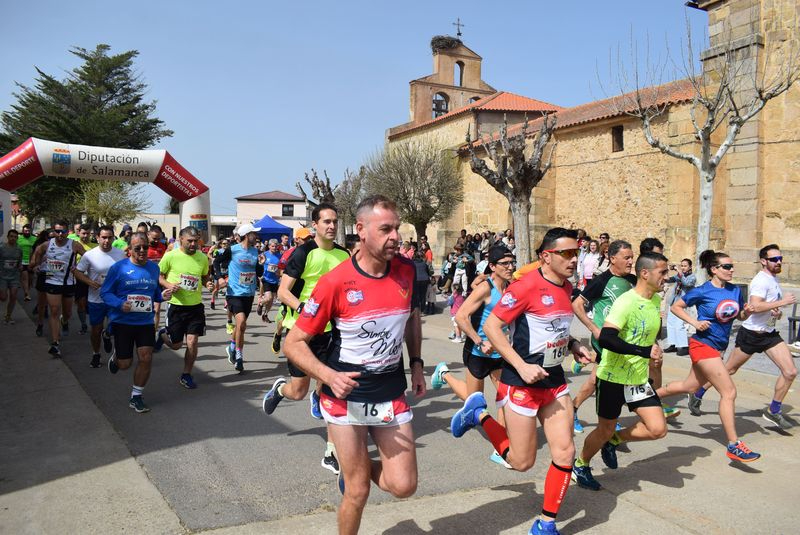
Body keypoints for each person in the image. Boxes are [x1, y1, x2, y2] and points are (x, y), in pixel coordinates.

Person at [283, 195, 425, 535]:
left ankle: (356, 466)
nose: (395, 236)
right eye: (386, 229)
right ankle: (355, 473)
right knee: (358, 491)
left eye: (397, 228)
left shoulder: (407, 270)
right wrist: (328, 375)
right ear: (360, 230)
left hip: (390, 390)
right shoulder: (336, 281)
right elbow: (294, 343)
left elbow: (411, 319)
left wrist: (417, 363)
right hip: (344, 396)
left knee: (403, 486)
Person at [449, 227, 592, 535]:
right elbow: (493, 327)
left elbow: (556, 329)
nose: (573, 260)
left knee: (565, 452)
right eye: (566, 254)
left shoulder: (567, 288)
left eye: (576, 253)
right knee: (521, 461)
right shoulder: (525, 287)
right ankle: (479, 414)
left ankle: (546, 523)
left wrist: (574, 345)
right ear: (546, 256)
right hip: (521, 382)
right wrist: (521, 365)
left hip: (553, 381)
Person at [262, 203, 349, 474]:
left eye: (335, 221)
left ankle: (331, 452)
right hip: (301, 333)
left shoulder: (344, 256)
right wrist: (304, 309)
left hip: (331, 333)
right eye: (326, 222)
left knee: (334, 390)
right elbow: (283, 291)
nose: (332, 226)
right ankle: (280, 389)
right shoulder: (303, 253)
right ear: (315, 226)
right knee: (297, 392)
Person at [572, 252, 669, 492]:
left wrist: (653, 348)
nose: (667, 277)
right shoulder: (625, 302)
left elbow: (648, 333)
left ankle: (616, 440)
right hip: (613, 377)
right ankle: (581, 464)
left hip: (637, 378)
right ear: (645, 274)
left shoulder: (655, 300)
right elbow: (606, 338)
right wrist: (643, 351)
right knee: (604, 428)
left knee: (658, 429)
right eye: (663, 272)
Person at [658, 250, 760, 461]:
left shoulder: (734, 291)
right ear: (714, 269)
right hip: (702, 345)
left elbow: (738, 315)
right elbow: (676, 306)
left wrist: (747, 312)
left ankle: (645, 397)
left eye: (732, 266)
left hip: (719, 347)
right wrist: (694, 323)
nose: (731, 270)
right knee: (729, 392)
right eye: (727, 267)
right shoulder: (703, 291)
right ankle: (734, 445)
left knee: (690, 387)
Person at [691, 244, 797, 429]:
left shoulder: (773, 279)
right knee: (729, 370)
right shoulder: (761, 281)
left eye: (780, 259)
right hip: (751, 335)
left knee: (790, 372)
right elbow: (754, 306)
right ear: (763, 261)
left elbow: (765, 306)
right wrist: (783, 302)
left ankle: (774, 411)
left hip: (769, 334)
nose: (779, 262)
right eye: (774, 259)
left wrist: (775, 311)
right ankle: (698, 392)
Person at [432, 245, 516, 466]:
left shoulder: (511, 287)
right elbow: (461, 317)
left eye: (511, 262)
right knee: (475, 403)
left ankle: (501, 448)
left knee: (505, 399)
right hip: (478, 351)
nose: (510, 267)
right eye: (505, 264)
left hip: (500, 353)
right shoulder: (485, 289)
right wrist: (480, 341)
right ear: (492, 267)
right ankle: (445, 374)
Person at [570, 240, 636, 434]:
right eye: (627, 258)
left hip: (624, 341)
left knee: (595, 379)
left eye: (632, 257)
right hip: (605, 340)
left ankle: (574, 409)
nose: (631, 261)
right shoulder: (601, 281)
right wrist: (594, 328)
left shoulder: (632, 281)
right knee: (609, 379)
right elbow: (577, 305)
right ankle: (609, 420)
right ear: (612, 258)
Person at [102, 232, 167, 413]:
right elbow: (105, 292)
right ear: (129, 250)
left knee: (146, 357)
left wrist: (162, 296)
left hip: (145, 321)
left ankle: (136, 396)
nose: (142, 251)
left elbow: (153, 295)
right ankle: (116, 356)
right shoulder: (118, 268)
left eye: (145, 247)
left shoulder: (154, 269)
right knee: (125, 365)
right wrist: (119, 304)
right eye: (137, 248)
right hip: (123, 321)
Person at [154, 226, 211, 389]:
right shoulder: (171, 256)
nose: (193, 244)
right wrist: (168, 284)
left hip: (195, 307)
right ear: (181, 240)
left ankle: (186, 374)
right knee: (176, 345)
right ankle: (162, 335)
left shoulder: (202, 257)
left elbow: (204, 275)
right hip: (176, 306)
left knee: (192, 342)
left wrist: (209, 283)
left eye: (196, 241)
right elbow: (158, 275)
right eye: (190, 241)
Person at [29, 220, 86, 357]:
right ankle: (55, 344)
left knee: (67, 313)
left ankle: (64, 321)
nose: (60, 234)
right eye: (57, 231)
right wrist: (35, 265)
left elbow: (87, 258)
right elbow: (37, 253)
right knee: (54, 310)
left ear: (68, 232)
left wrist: (78, 267)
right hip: (52, 281)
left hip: (68, 283)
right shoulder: (47, 245)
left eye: (63, 231)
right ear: (53, 231)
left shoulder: (74, 245)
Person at [73, 225, 126, 368]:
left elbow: (126, 272)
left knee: (116, 326)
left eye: (109, 237)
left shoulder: (120, 254)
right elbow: (77, 272)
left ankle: (108, 336)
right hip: (96, 299)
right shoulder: (90, 255)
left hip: (115, 298)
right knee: (95, 330)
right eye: (103, 237)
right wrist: (89, 282)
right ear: (97, 238)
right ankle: (96, 354)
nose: (106, 241)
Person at [637, 237, 679, 418]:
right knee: (600, 376)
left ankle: (655, 403)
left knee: (656, 363)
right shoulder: (635, 280)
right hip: (631, 335)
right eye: (658, 255)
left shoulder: (656, 285)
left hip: (649, 333)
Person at [214, 223, 262, 372]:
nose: (256, 236)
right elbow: (216, 262)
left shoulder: (255, 251)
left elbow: (258, 272)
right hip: (234, 293)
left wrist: (261, 265)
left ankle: (232, 346)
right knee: (241, 323)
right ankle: (239, 357)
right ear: (247, 235)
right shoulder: (233, 250)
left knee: (240, 326)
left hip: (249, 293)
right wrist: (220, 277)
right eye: (254, 233)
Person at [270, 227, 312, 354]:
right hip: (291, 291)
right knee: (284, 317)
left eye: (309, 238)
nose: (308, 241)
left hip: (307, 293)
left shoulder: (316, 252)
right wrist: (291, 275)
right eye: (305, 239)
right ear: (297, 239)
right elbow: (279, 270)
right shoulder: (290, 253)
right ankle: (278, 335)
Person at [664, 258, 696, 356]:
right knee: (670, 323)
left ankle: (684, 346)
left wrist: (679, 272)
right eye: (681, 266)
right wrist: (666, 271)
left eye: (685, 266)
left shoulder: (692, 277)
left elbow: (686, 283)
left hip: (682, 303)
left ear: (690, 267)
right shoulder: (679, 275)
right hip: (673, 301)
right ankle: (673, 344)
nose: (682, 268)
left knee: (679, 325)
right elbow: (669, 280)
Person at [73, 224, 98, 334]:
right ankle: (83, 324)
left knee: (92, 303)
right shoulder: (74, 245)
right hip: (79, 278)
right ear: (79, 233)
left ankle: (95, 324)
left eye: (88, 233)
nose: (86, 236)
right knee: (81, 303)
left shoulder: (95, 246)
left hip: (93, 278)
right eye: (83, 233)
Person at [146, 225, 168, 329]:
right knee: (145, 309)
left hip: (158, 282)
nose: (156, 241)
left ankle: (153, 333)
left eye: (158, 238)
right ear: (148, 235)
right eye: (154, 238)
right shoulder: (142, 246)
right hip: (144, 281)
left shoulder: (163, 246)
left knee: (156, 309)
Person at [0, 229, 23, 323]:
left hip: (14, 276)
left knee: (13, 296)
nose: (13, 238)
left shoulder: (19, 249)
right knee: (3, 298)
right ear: (8, 237)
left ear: (17, 238)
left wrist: (20, 266)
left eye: (15, 237)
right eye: (11, 236)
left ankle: (8, 316)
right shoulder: (1, 247)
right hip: (2, 276)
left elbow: (20, 261)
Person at [257, 238, 281, 323]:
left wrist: (279, 272)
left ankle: (265, 314)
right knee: (269, 297)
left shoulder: (279, 255)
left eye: (276, 246)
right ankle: (260, 303)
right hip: (266, 279)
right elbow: (259, 264)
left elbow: (281, 267)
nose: (274, 248)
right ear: (269, 246)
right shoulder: (264, 254)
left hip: (275, 280)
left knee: (271, 300)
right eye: (272, 246)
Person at [17, 224, 36, 302]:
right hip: (22, 261)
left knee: (30, 280)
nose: (27, 232)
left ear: (31, 231)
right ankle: (27, 294)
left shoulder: (35, 239)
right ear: (23, 231)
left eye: (28, 231)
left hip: (31, 261)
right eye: (25, 231)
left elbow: (37, 251)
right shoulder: (19, 238)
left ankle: (27, 290)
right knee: (25, 277)